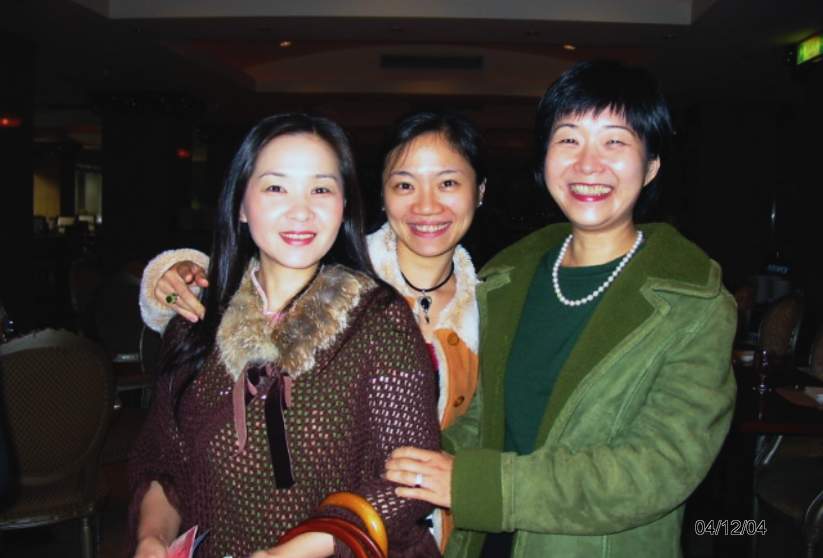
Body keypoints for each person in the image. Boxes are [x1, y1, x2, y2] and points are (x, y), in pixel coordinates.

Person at [384, 60, 737, 558]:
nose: (588, 164)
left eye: (615, 142)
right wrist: (414, 463)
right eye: (569, 139)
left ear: (652, 165)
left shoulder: (693, 303)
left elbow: (658, 468)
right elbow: (486, 418)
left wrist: (474, 485)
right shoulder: (507, 279)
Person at [138, 112, 487, 549]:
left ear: (344, 206)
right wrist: (151, 538)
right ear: (241, 204)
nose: (300, 210)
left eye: (320, 189)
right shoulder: (196, 322)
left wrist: (293, 550)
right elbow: (165, 466)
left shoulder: (382, 321)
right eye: (276, 187)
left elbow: (405, 478)